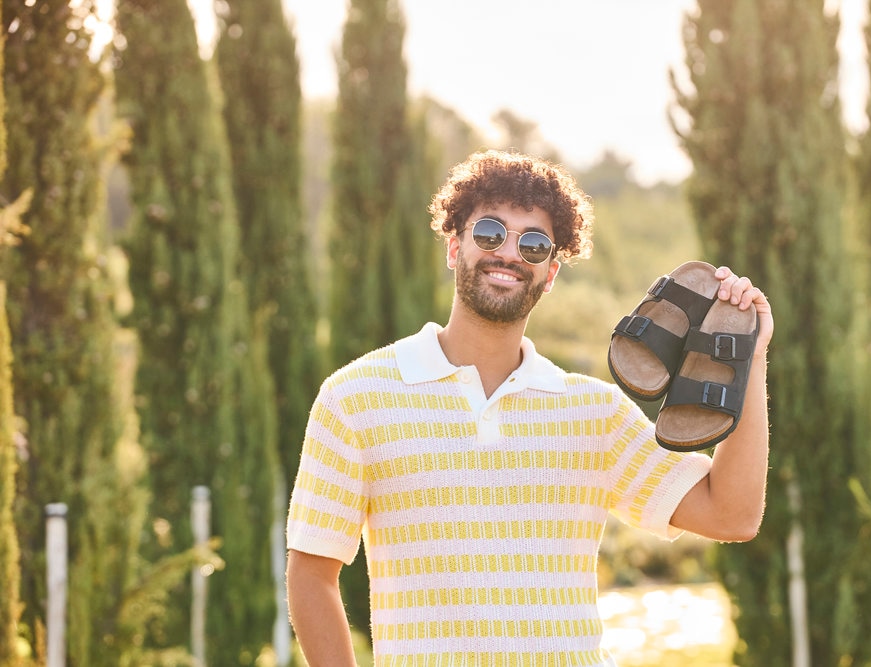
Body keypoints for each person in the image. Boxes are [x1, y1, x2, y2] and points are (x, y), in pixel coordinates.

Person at [286, 149, 773, 666]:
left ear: (551, 272)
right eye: (489, 232)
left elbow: (732, 515)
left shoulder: (593, 414)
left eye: (534, 244)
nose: (509, 253)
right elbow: (311, 574)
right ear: (454, 247)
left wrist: (750, 356)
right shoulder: (355, 398)